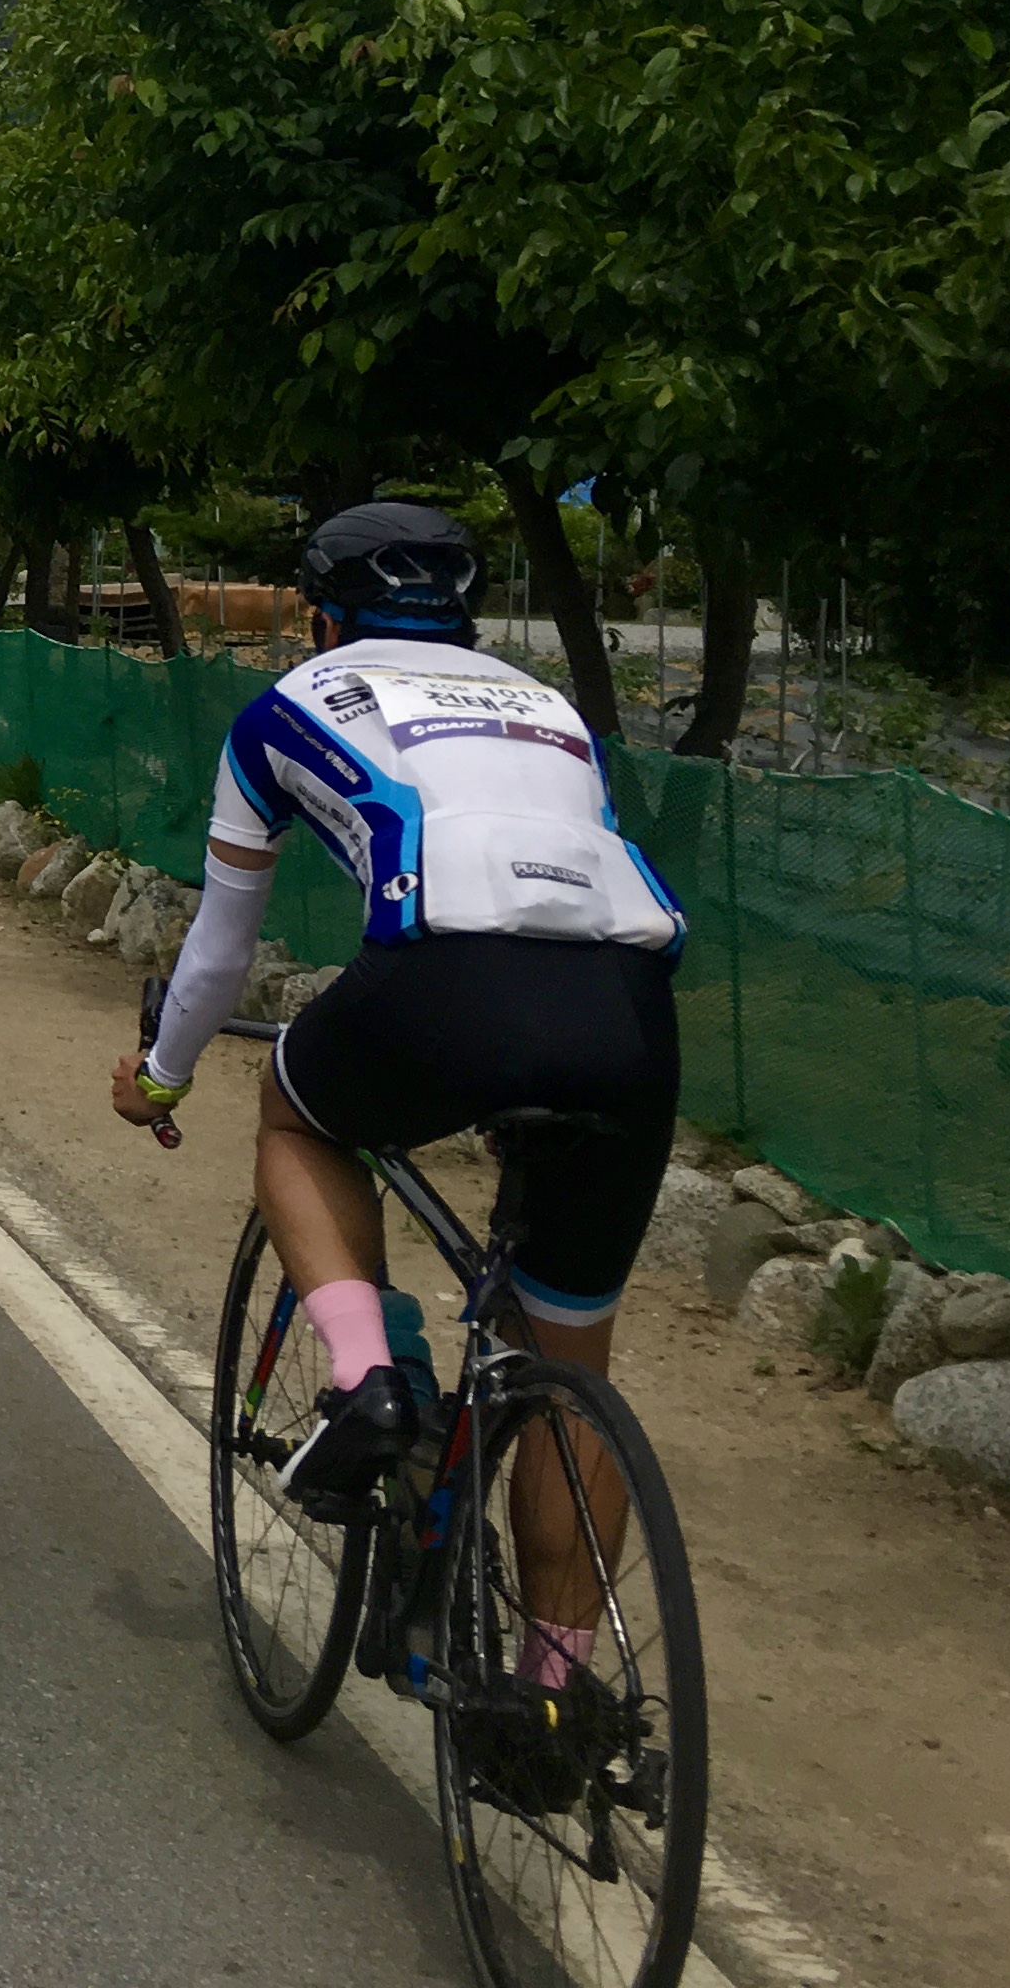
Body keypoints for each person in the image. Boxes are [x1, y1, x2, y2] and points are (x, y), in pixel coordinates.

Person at [109, 501, 684, 1627]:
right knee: (570, 1371)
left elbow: (220, 949)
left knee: (295, 1115)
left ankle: (368, 1381)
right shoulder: (553, 712)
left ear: (323, 620)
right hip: (628, 1014)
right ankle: (559, 1688)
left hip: (445, 979)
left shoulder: (287, 707)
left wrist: (163, 1077)